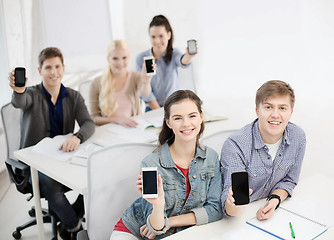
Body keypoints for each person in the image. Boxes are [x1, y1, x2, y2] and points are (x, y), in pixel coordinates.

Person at [110, 90, 222, 239]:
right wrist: (158, 204)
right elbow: (155, 228)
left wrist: (170, 221)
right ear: (168, 123)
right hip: (136, 230)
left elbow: (215, 209)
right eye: (178, 118)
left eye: (192, 116)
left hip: (175, 231)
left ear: (201, 117)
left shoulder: (211, 158)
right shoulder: (151, 163)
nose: (186, 124)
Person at [9, 47, 95, 240]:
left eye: (57, 66)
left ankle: (71, 216)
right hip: (33, 164)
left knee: (94, 174)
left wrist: (77, 137)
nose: (54, 72)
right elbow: (19, 102)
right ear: (40, 71)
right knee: (51, 184)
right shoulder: (32, 94)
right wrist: (19, 90)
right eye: (48, 67)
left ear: (63, 68)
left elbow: (88, 123)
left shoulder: (73, 96)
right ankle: (73, 225)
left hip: (62, 158)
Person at [220, 80, 306, 221]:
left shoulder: (298, 137)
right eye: (268, 107)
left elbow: (289, 181)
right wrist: (233, 204)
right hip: (240, 217)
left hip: (272, 215)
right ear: (257, 111)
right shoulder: (236, 144)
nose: (275, 115)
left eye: (282, 108)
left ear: (291, 113)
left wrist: (274, 201)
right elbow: (229, 204)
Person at [136, 15, 198, 111]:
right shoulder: (141, 58)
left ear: (169, 35)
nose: (157, 41)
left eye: (161, 36)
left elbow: (182, 61)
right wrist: (161, 113)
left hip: (174, 106)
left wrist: (189, 55)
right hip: (153, 108)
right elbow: (146, 94)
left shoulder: (174, 53)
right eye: (153, 37)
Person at [90, 40, 153, 127]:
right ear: (108, 59)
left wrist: (146, 80)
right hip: (109, 131)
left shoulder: (135, 76)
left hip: (132, 129)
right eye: (115, 58)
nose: (120, 63)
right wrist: (117, 120)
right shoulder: (96, 83)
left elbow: (145, 94)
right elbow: (94, 118)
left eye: (124, 58)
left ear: (129, 57)